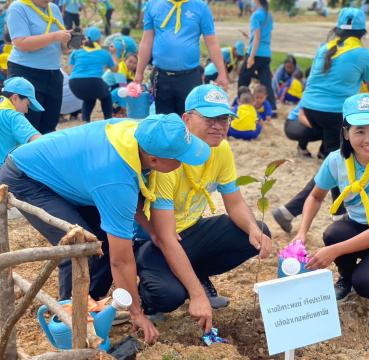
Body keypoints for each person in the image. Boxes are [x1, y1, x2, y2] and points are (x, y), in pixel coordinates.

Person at [0, 114, 211, 344]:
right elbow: (122, 260)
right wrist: (136, 313)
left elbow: (135, 186)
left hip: (75, 173)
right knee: (77, 247)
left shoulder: (144, 132)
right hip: (28, 177)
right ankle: (72, 325)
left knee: (102, 242)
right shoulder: (114, 178)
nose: (182, 164)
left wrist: (153, 230)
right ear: (153, 160)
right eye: (179, 159)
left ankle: (93, 305)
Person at [134, 84, 271, 333]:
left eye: (224, 118)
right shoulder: (169, 158)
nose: (218, 125)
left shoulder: (222, 149)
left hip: (189, 231)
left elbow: (235, 201)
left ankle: (194, 275)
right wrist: (197, 295)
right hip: (154, 239)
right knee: (168, 297)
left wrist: (252, 227)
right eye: (209, 118)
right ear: (187, 119)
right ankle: (147, 291)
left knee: (256, 234)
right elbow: (165, 236)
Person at [291, 93, 369, 309]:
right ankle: (346, 278)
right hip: (358, 224)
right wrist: (302, 232)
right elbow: (315, 196)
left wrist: (335, 251)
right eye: (360, 131)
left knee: (367, 284)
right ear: (346, 133)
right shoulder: (336, 161)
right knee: (333, 234)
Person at [272, 7, 369, 233]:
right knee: (339, 161)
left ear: (337, 30)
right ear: (363, 33)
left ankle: (328, 213)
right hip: (336, 112)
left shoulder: (324, 49)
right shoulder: (364, 55)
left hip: (310, 109)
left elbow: (313, 81)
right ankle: (302, 211)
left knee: (337, 157)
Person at [135, 0, 228, 116]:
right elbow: (146, 41)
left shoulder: (201, 7)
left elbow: (212, 43)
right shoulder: (152, 4)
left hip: (190, 77)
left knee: (191, 120)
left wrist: (222, 73)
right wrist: (139, 73)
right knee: (165, 121)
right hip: (161, 77)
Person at [7, 0, 71, 134]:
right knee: (27, 127)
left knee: (49, 126)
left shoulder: (53, 8)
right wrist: (54, 36)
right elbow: (21, 43)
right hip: (25, 72)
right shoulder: (18, 7)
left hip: (53, 72)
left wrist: (71, 42)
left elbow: (62, 45)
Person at [69, 26, 118, 122]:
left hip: (74, 83)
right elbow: (115, 69)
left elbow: (72, 67)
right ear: (99, 39)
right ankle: (108, 121)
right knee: (106, 96)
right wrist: (113, 54)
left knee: (89, 98)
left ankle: (85, 122)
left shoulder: (77, 51)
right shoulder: (104, 53)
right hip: (93, 82)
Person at [238, 0, 276, 115]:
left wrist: (251, 56)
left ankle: (242, 104)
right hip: (266, 54)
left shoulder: (256, 15)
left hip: (256, 53)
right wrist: (249, 37)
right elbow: (263, 36)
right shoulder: (268, 14)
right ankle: (272, 109)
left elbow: (258, 37)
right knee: (266, 82)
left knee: (243, 79)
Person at [0, 77, 42, 165]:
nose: (27, 111)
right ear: (15, 98)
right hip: (6, 174)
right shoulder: (13, 116)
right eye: (27, 104)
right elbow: (40, 142)